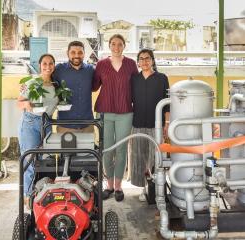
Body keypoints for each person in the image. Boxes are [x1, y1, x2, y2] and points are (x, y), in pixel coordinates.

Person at [93, 34, 138, 202]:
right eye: (113, 44)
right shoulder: (101, 64)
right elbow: (94, 85)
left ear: (124, 46)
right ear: (109, 45)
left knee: (121, 150)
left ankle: (118, 186)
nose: (116, 47)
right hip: (105, 111)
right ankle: (109, 185)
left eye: (120, 44)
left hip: (125, 111)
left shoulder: (131, 64)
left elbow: (136, 86)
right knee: (107, 149)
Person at [129, 48, 170, 201]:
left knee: (156, 157)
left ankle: (157, 188)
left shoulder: (161, 78)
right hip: (138, 122)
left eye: (147, 58)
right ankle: (143, 188)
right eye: (141, 59)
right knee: (139, 155)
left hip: (156, 124)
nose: (144, 61)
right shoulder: (134, 79)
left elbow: (167, 103)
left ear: (152, 60)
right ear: (138, 62)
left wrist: (166, 123)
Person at [17, 53, 58, 201]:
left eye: (51, 63)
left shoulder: (56, 85)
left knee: (43, 161)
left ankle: (39, 195)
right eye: (44, 63)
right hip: (30, 123)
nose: (47, 66)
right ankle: (27, 197)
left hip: (47, 124)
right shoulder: (32, 82)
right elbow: (19, 103)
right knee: (29, 161)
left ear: (54, 66)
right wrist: (26, 104)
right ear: (40, 65)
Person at [52, 40, 94, 133]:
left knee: (89, 148)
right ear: (67, 53)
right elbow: (45, 80)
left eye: (80, 52)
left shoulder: (90, 70)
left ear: (84, 54)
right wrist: (26, 86)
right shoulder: (59, 69)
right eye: (73, 52)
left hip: (87, 125)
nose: (76, 55)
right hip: (65, 125)